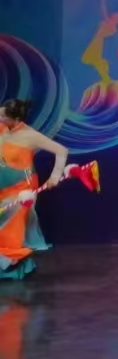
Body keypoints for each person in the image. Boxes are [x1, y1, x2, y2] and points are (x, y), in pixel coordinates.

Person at [0, 99, 66, 279]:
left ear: (15, 118)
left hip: (22, 190)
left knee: (11, 220)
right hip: (3, 187)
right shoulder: (2, 128)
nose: (0, 118)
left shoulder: (30, 135)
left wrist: (55, 176)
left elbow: (61, 151)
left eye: (3, 116)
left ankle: (10, 261)